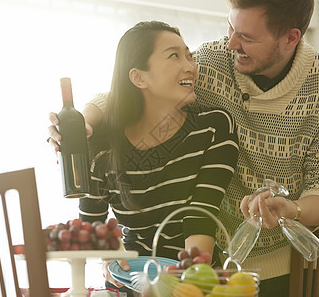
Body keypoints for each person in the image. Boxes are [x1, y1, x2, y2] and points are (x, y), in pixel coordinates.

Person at [49, 0, 319, 296]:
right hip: (212, 265)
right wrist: (79, 125)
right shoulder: (212, 62)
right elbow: (138, 87)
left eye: (247, 37)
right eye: (230, 27)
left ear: (290, 37)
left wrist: (293, 209)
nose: (232, 43)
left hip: (286, 266)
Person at [49, 21, 239, 293]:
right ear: (139, 78)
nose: (190, 66)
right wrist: (112, 255)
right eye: (174, 56)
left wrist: (193, 279)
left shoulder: (213, 128)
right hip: (131, 281)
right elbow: (92, 224)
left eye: (189, 55)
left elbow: (200, 214)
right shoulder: (101, 147)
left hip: (193, 281)